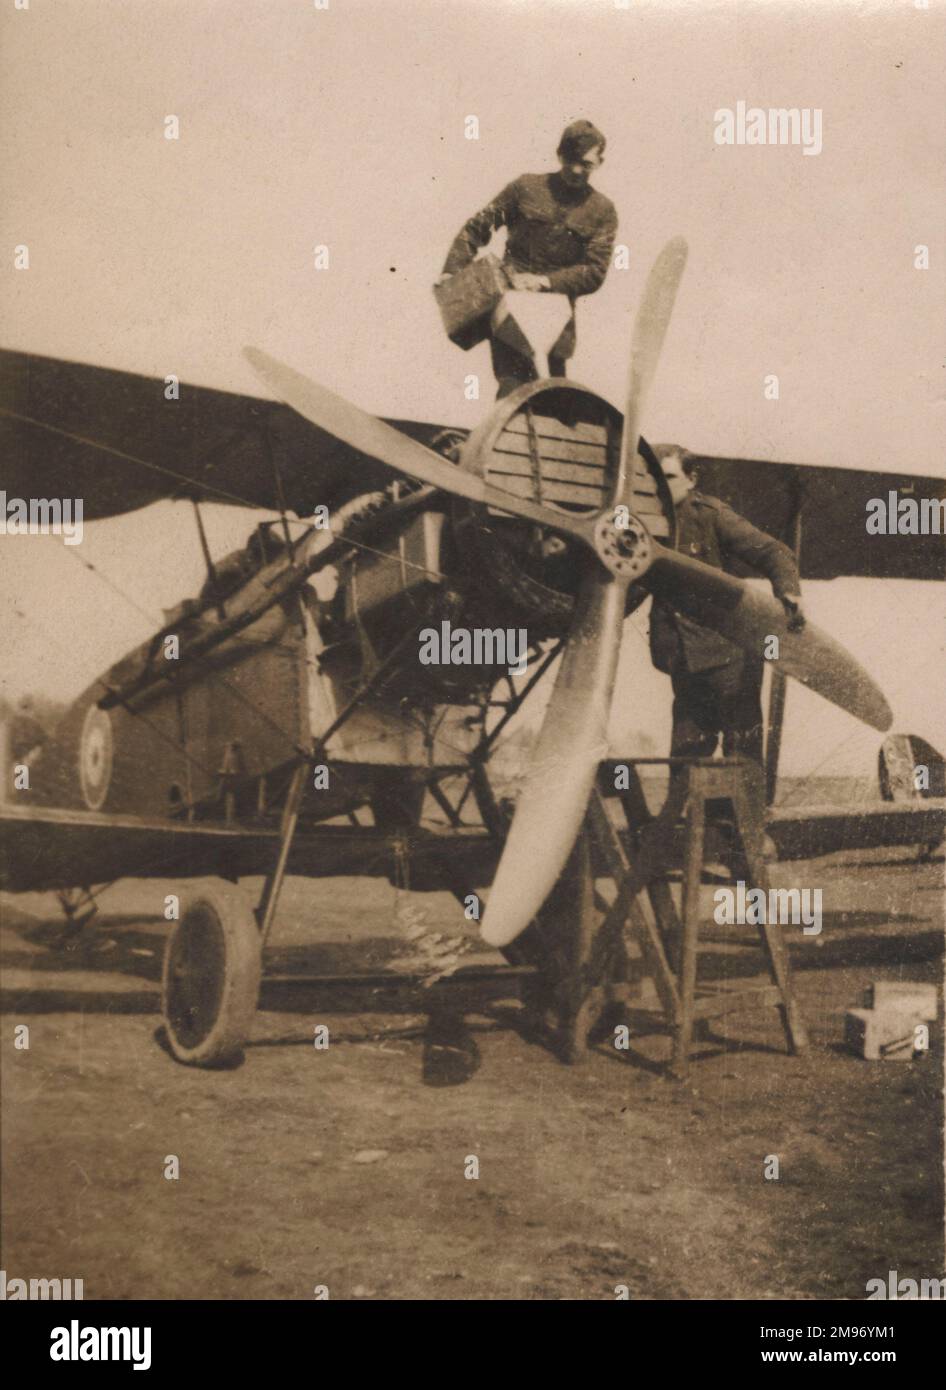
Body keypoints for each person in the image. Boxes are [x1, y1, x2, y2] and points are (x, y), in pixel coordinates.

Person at [650, 445, 805, 770]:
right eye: (654, 477)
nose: (660, 486)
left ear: (691, 479)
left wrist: (789, 592)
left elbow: (774, 552)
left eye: (669, 477)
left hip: (731, 653)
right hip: (685, 656)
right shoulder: (647, 521)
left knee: (741, 750)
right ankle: (685, 818)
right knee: (686, 749)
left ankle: (740, 821)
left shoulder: (710, 514)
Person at [439, 119, 618, 397]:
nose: (575, 169)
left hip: (557, 321)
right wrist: (452, 271)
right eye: (570, 160)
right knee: (512, 392)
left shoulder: (602, 211)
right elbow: (478, 227)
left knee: (556, 403)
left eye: (586, 164)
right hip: (511, 309)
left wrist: (544, 282)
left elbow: (595, 272)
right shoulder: (526, 187)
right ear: (559, 154)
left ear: (600, 163)